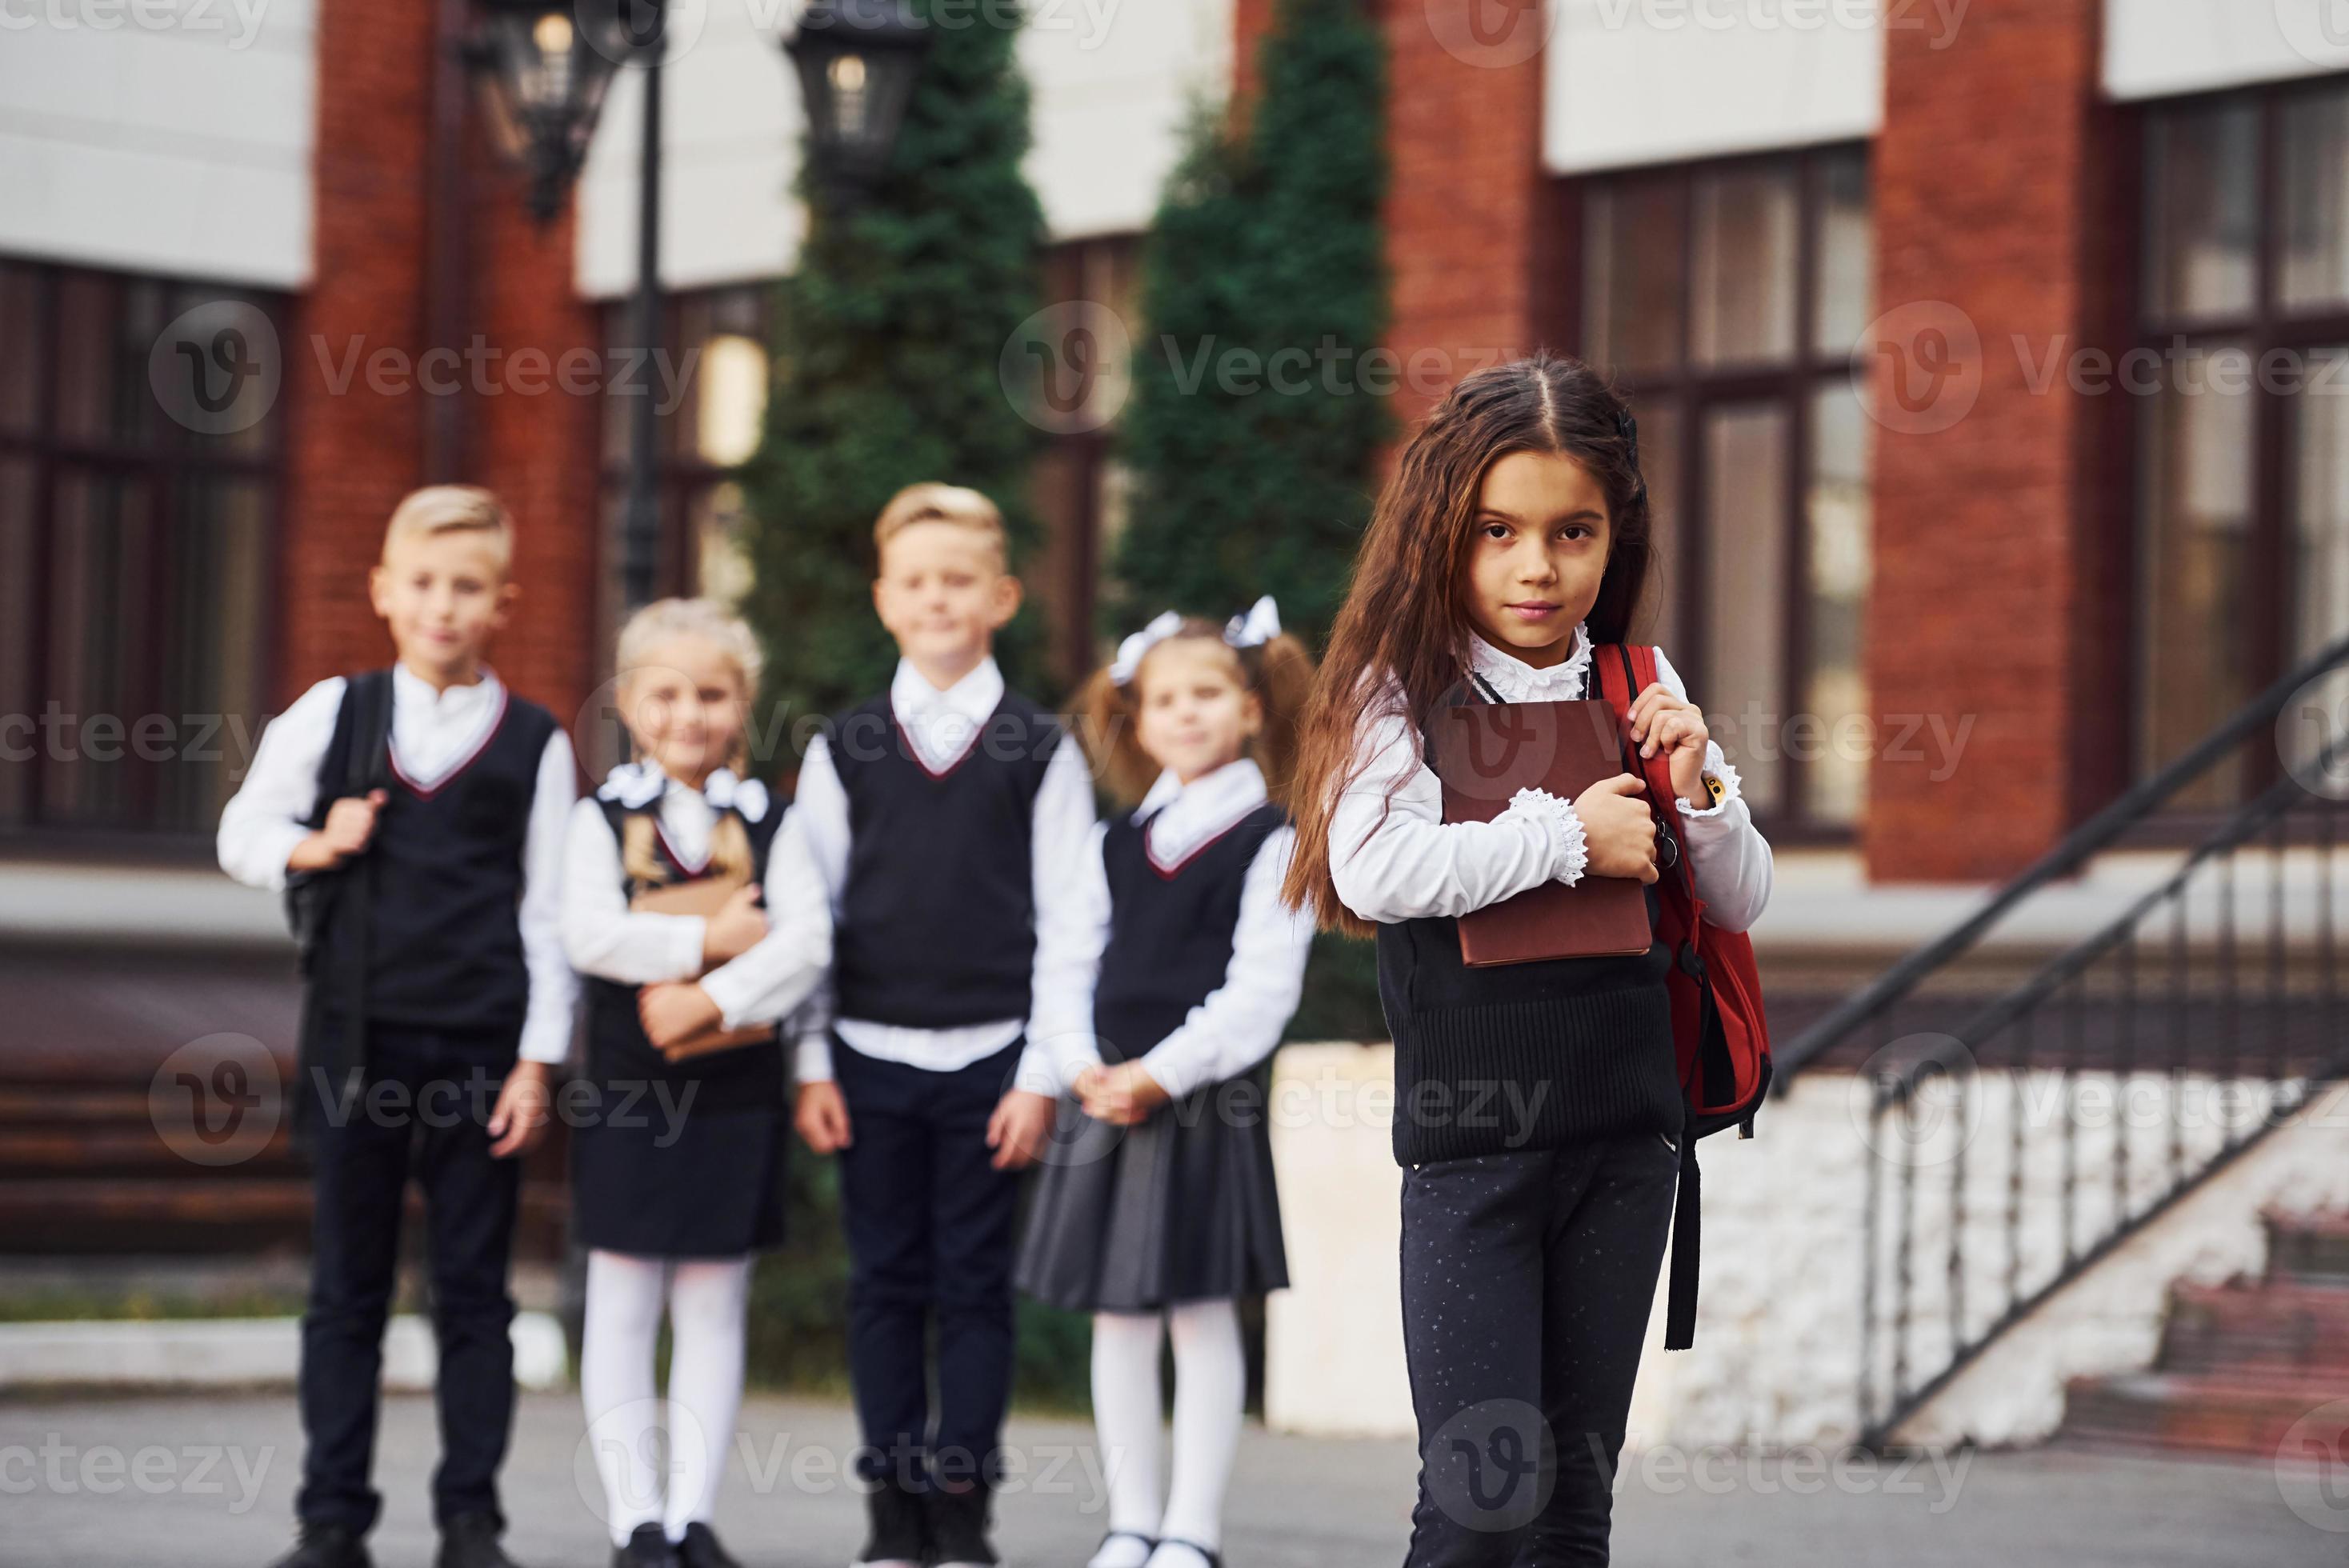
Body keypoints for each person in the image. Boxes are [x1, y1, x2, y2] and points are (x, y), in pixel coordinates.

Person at [1279, 354, 1774, 1567]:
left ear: (1617, 539)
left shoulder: (1640, 681)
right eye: (1497, 531)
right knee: (1479, 1499)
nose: (1537, 566)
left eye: (1573, 532)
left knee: (1572, 1513)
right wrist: (1566, 835)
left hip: (1624, 1139)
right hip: (1472, 1152)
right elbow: (1374, 870)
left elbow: (1740, 894)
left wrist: (1697, 779)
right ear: (1443, 530)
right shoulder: (1397, 687)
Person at [218, 485, 578, 1568]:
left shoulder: (534, 743)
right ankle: (332, 1521)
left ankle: (471, 1520)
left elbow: (550, 914)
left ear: (502, 602)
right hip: (356, 1045)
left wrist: (536, 1063)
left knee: (475, 1294)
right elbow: (241, 830)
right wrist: (315, 844)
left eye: (466, 587)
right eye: (421, 583)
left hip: (480, 1051)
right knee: (348, 1291)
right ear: (383, 591)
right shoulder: (337, 712)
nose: (442, 605)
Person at [788, 482, 1100, 1568]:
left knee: (973, 1291)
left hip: (991, 1066)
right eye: (916, 582)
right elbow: (806, 921)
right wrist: (812, 1058)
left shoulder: (1037, 749)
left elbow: (1074, 922)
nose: (937, 599)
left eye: (959, 581)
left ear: (1002, 597)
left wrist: (1041, 1073)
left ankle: (962, 1513)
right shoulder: (845, 748)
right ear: (885, 600)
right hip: (867, 1061)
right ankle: (891, 1515)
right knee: (882, 1288)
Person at [1015, 596, 1317, 1568]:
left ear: (1248, 708)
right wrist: (1078, 1066)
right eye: (1163, 700)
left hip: (1199, 1101)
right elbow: (1064, 960)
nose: (1183, 714)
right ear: (1136, 720)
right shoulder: (1110, 843)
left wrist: (1159, 1072)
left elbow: (1258, 991)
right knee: (1119, 1314)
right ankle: (1129, 1522)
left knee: (1197, 1311)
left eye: (1206, 694)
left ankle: (1191, 1531)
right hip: (1103, 1096)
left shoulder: (1269, 839)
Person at [560, 598, 833, 1568]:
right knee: (624, 1297)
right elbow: (587, 932)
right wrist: (705, 939)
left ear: (742, 705)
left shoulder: (775, 821)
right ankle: (634, 1518)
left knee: (716, 1300)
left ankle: (691, 1516)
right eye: (666, 692)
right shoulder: (598, 818)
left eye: (712, 694)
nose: (689, 712)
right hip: (632, 1087)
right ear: (630, 702)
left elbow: (806, 944)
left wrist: (705, 998)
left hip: (736, 1088)